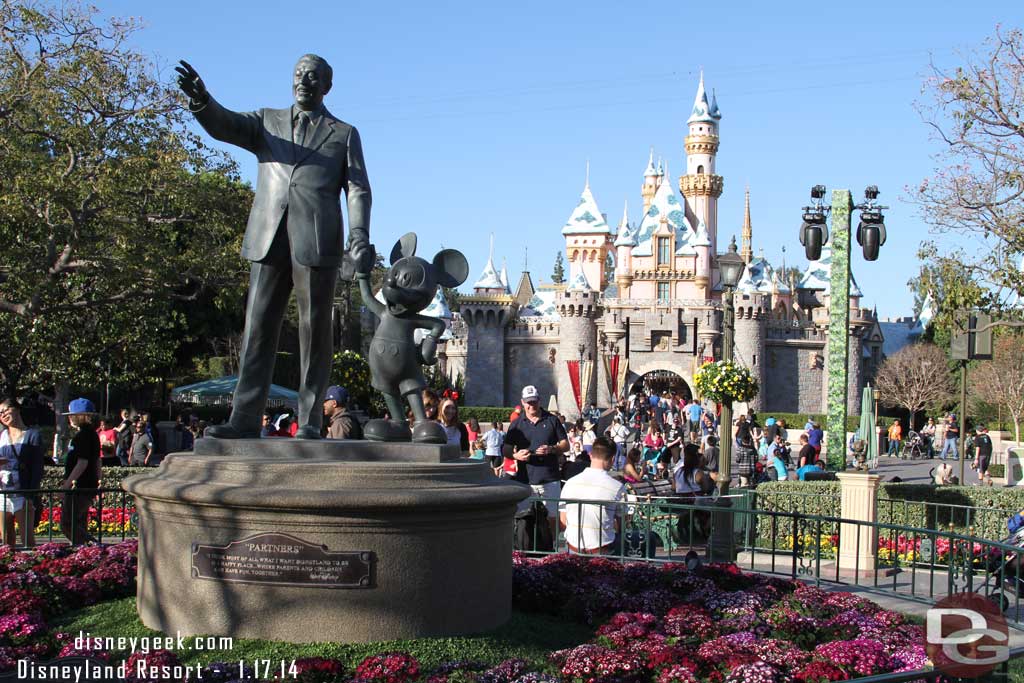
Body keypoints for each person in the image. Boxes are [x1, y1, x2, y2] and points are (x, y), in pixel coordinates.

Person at [176, 55, 372, 440]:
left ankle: (312, 421)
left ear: (326, 86)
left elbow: (358, 188)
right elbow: (225, 125)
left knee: (315, 332)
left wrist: (359, 235)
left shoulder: (344, 133)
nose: (304, 81)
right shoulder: (267, 121)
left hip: (317, 239)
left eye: (313, 76)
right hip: (268, 235)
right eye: (299, 74)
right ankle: (244, 418)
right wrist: (203, 101)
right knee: (257, 328)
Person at [504, 385, 569, 540]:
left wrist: (552, 449)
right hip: (525, 479)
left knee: (552, 518)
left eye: (534, 402)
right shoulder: (516, 424)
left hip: (550, 478)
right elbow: (506, 449)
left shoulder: (552, 420)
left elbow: (566, 445)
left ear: (539, 401)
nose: (531, 405)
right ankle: (525, 551)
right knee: (524, 519)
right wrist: (516, 455)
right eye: (528, 402)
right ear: (522, 402)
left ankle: (552, 549)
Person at [559, 437, 625, 555]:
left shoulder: (569, 483)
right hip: (602, 549)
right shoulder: (617, 487)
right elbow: (622, 525)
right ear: (613, 459)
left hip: (573, 548)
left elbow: (563, 520)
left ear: (590, 455)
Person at [0, 399, 43, 546]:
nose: (3, 414)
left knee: (27, 540)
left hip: (22, 493)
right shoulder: (1, 435)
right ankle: (9, 567)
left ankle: (32, 567)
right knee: (6, 539)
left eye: (5, 410)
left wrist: (31, 495)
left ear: (16, 409)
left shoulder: (32, 435)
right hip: (3, 493)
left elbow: (37, 467)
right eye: (0, 413)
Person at [61, 398, 101, 545]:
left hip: (79, 486)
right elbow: (97, 460)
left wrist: (67, 484)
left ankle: (93, 547)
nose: (70, 418)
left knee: (68, 523)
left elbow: (83, 462)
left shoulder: (83, 436)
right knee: (78, 523)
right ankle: (84, 551)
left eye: (72, 415)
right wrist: (98, 481)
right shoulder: (92, 435)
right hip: (87, 485)